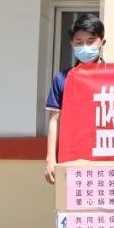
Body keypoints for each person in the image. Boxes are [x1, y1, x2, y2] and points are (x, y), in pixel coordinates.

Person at [44, 14, 107, 184]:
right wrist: (51, 158)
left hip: (107, 154)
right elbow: (55, 120)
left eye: (91, 41)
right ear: (71, 44)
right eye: (79, 42)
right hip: (73, 156)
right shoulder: (62, 79)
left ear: (102, 43)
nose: (85, 47)